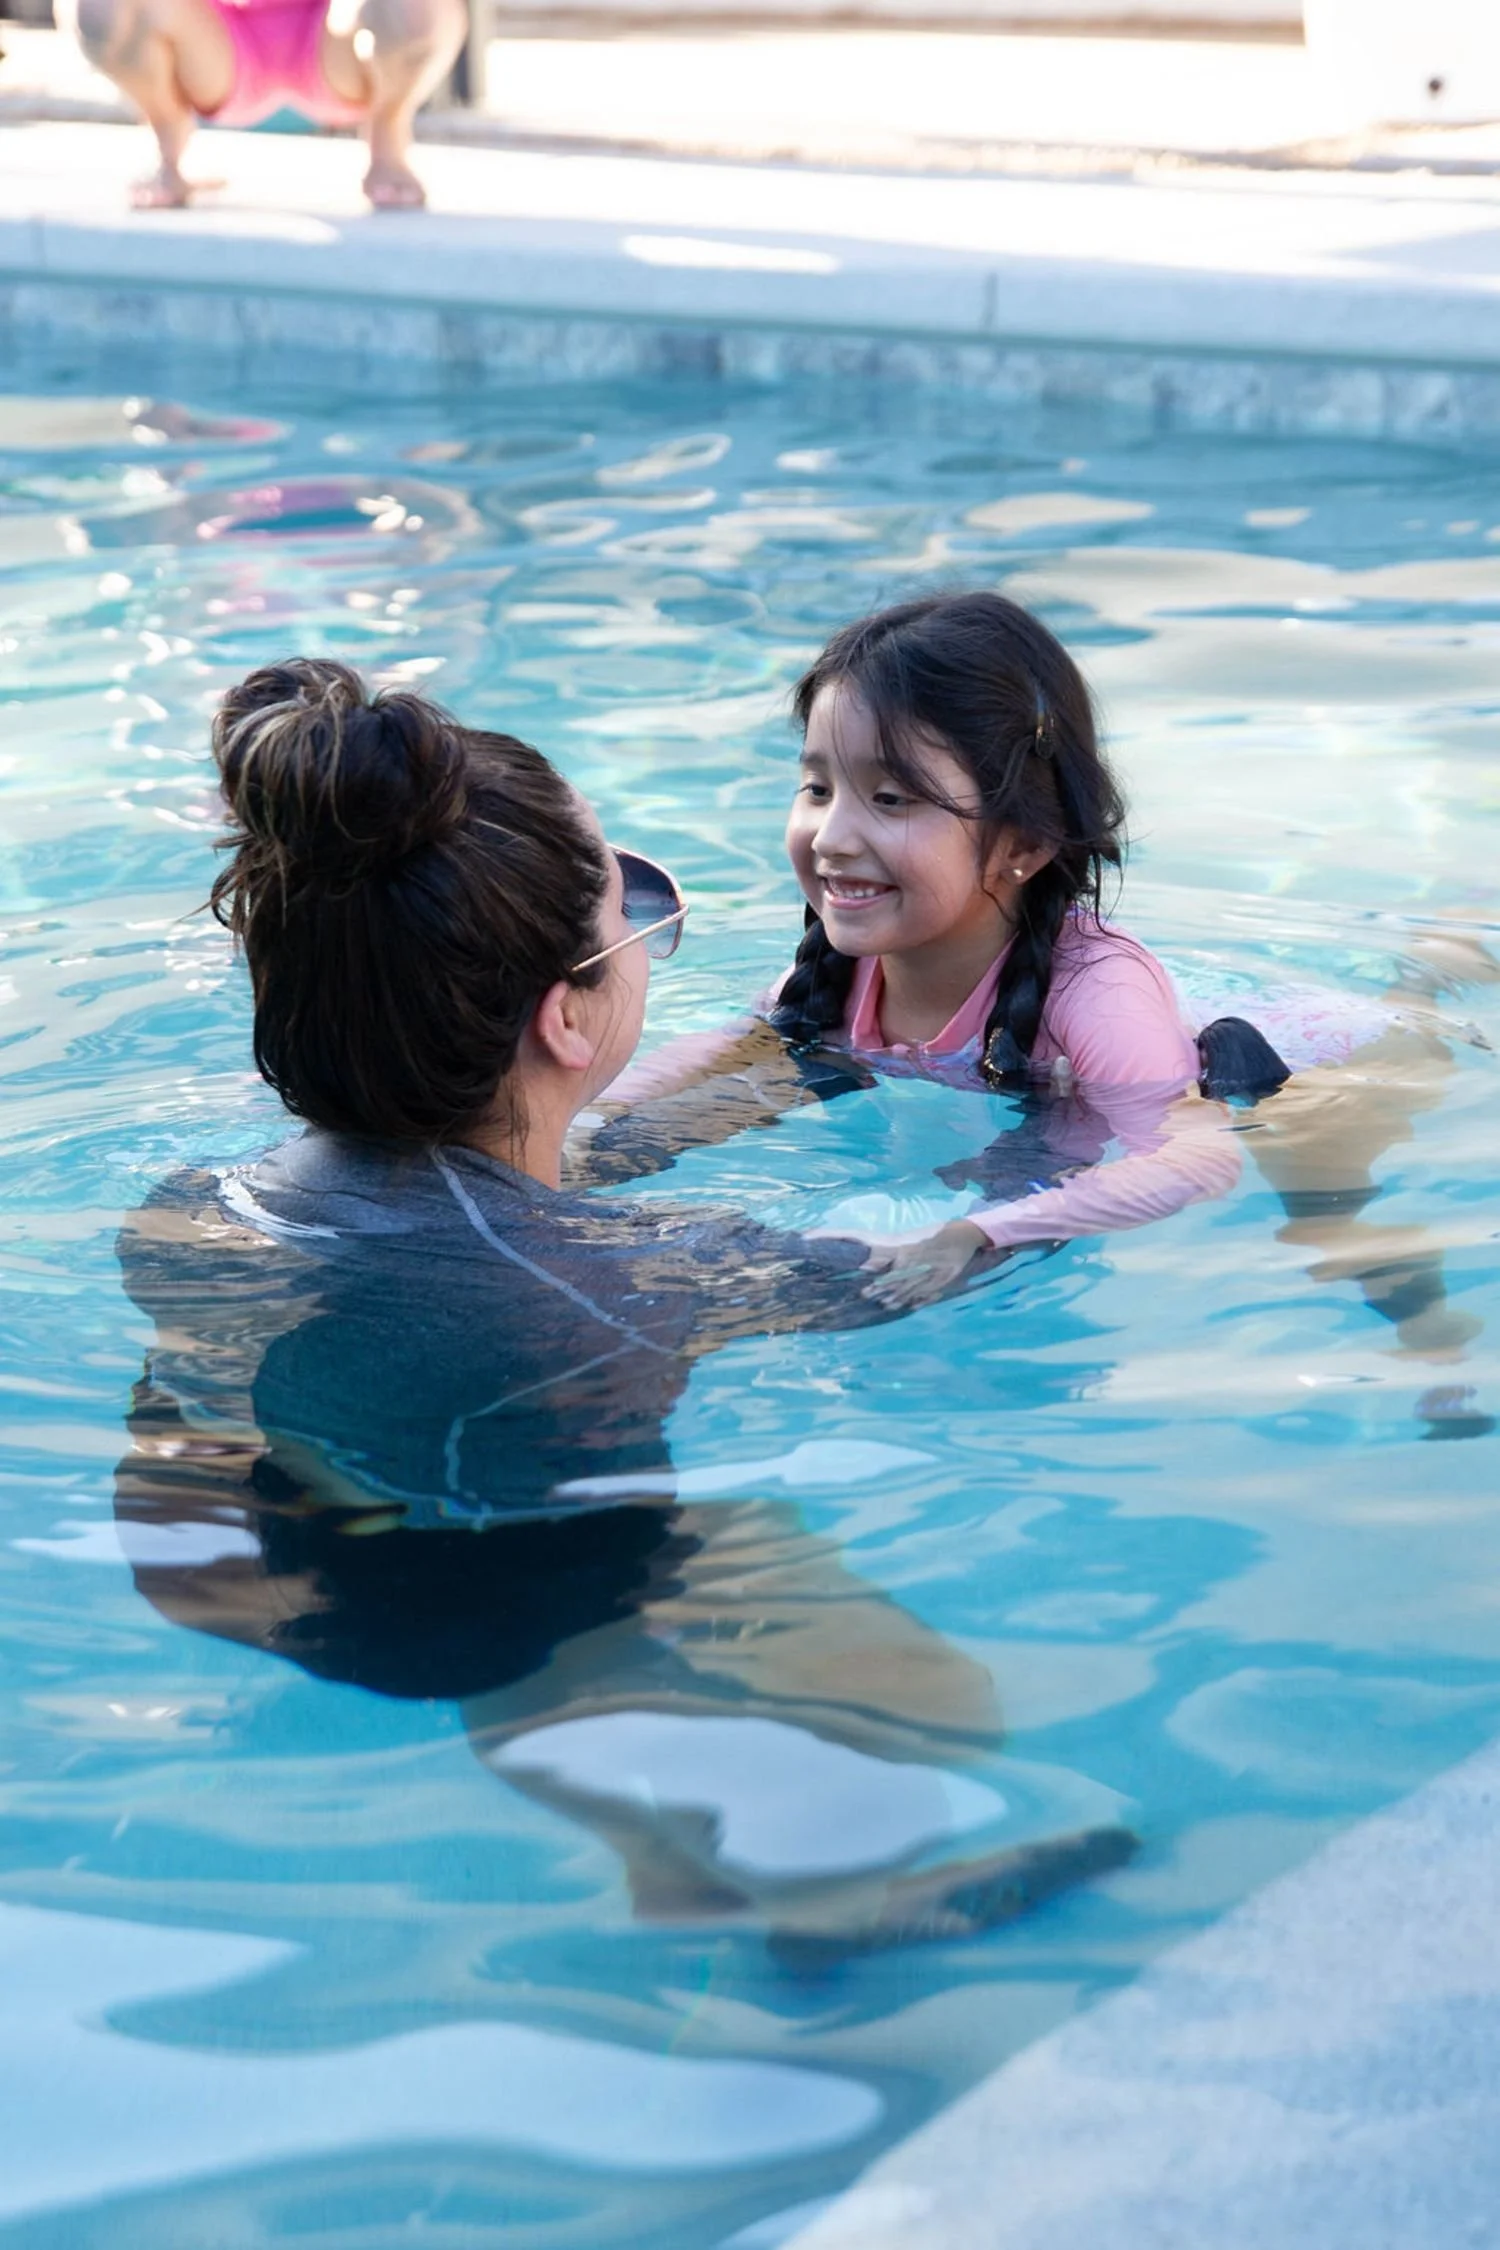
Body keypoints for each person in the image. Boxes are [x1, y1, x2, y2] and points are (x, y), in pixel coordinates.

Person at [116, 656, 1135, 1961]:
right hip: (537, 1582)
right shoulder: (641, 1273)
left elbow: (212, 1416)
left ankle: (676, 1873)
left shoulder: (189, 1205)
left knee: (516, 1619)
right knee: (943, 1695)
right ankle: (840, 1898)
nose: (653, 933)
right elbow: (916, 1271)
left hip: (322, 1587)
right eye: (636, 916)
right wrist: (1066, 1149)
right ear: (569, 1018)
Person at [584, 593, 1489, 1410]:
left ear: (1019, 843)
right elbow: (722, 1057)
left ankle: (1442, 1352)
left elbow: (1196, 1164)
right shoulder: (842, 968)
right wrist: (583, 1131)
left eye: (890, 797)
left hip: (1311, 1079)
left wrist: (979, 1231)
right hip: (1151, 1039)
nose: (832, 835)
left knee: (1334, 1231)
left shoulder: (1093, 993)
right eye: (817, 786)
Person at [62, 0, 464, 210]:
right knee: (100, 8)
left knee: (415, 10)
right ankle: (168, 135)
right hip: (217, 47)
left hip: (335, 44)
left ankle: (388, 135)